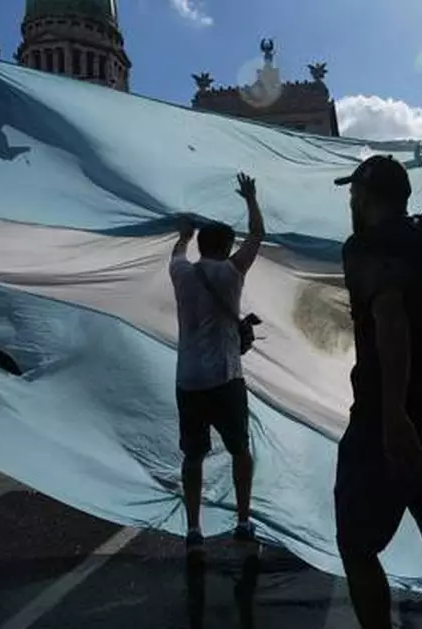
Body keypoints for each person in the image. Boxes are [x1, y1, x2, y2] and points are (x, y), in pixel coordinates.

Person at [332, 153, 422, 629]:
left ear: (367, 197)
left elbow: (390, 316)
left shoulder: (364, 247)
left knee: (356, 543)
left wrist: (394, 415)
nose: (351, 200)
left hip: (386, 423)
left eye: (354, 193)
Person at [169, 172, 265, 552]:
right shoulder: (230, 273)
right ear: (225, 247)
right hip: (225, 378)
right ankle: (242, 520)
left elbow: (177, 252)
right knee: (240, 449)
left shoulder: (180, 273)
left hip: (188, 380)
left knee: (192, 456)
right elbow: (257, 234)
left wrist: (183, 234)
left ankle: (194, 529)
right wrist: (250, 198)